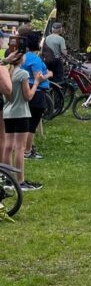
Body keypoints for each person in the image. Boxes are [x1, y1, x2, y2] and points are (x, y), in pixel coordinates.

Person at [3, 49, 45, 191]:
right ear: (21, 59)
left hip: (8, 112)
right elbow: (28, 96)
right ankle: (20, 181)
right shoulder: (23, 74)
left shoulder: (7, 73)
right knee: (20, 148)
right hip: (21, 112)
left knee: (8, 147)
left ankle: (7, 179)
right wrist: (36, 83)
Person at [21, 32, 52, 160]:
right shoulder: (35, 59)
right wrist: (49, 74)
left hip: (26, 91)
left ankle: (24, 148)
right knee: (32, 124)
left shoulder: (24, 57)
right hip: (37, 92)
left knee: (27, 122)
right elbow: (38, 78)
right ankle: (27, 151)